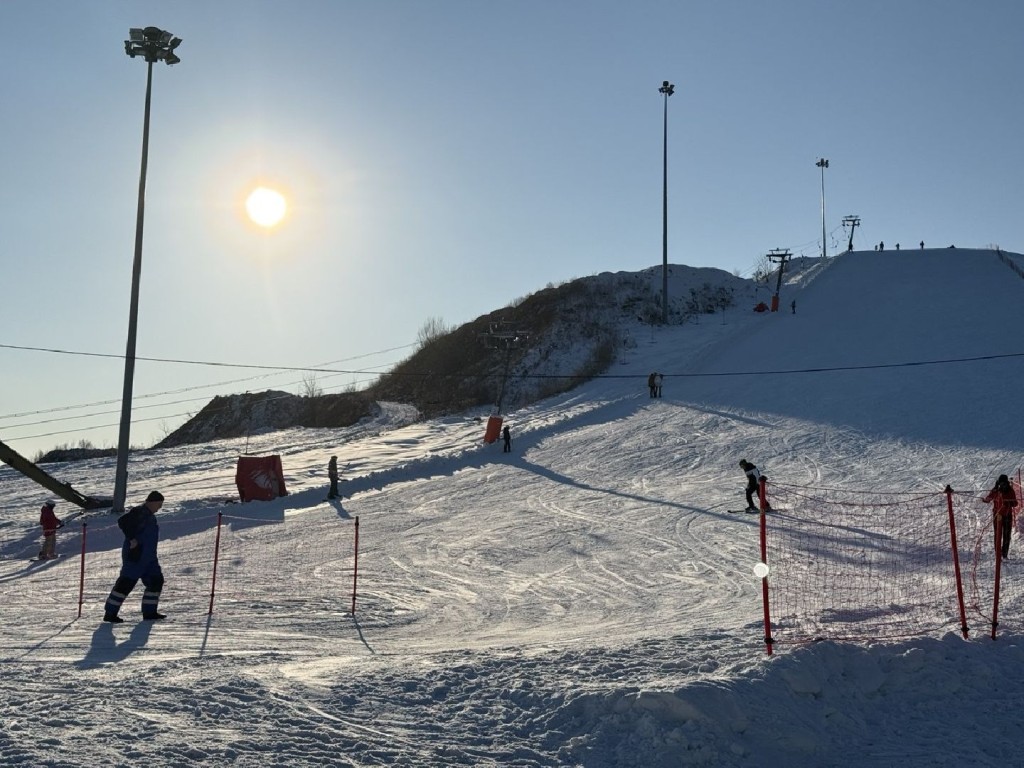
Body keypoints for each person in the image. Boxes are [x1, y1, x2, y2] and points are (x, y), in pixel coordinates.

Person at [103, 491, 166, 623]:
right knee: (126, 584)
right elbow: (123, 521)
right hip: (136, 555)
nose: (159, 507)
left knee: (156, 581)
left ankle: (149, 612)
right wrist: (132, 539)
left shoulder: (150, 516)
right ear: (152, 502)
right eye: (159, 504)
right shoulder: (140, 512)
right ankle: (110, 613)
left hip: (149, 558)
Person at [984, 474, 1018, 559]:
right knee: (997, 534)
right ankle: (998, 553)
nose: (1003, 485)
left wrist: (1008, 503)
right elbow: (988, 499)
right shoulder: (996, 490)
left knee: (1007, 535)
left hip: (1007, 515)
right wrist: (984, 499)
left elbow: (1015, 503)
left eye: (1004, 483)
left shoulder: (1010, 490)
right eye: (1001, 483)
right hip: (997, 515)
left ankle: (1004, 553)